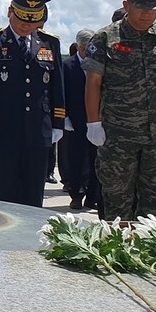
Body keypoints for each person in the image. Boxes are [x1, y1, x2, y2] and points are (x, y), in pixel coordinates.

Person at [83, 0, 156, 220]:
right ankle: (115, 253)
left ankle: (147, 253)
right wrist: (93, 124)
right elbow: (93, 83)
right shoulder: (105, 38)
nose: (147, 14)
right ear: (126, 5)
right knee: (117, 201)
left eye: (153, 9)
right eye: (141, 8)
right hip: (118, 136)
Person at [0, 0, 65, 207]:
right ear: (9, 12)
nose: (26, 26)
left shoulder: (49, 43)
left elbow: (57, 85)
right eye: (22, 20)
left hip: (38, 128)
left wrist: (58, 122)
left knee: (33, 190)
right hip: (4, 127)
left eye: (32, 22)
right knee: (4, 189)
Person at [61, 29, 99, 211]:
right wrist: (64, 116)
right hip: (74, 120)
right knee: (75, 159)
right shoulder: (67, 65)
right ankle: (75, 194)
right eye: (84, 48)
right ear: (77, 46)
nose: (87, 51)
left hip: (95, 120)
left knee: (95, 159)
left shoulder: (98, 64)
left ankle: (92, 197)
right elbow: (61, 93)